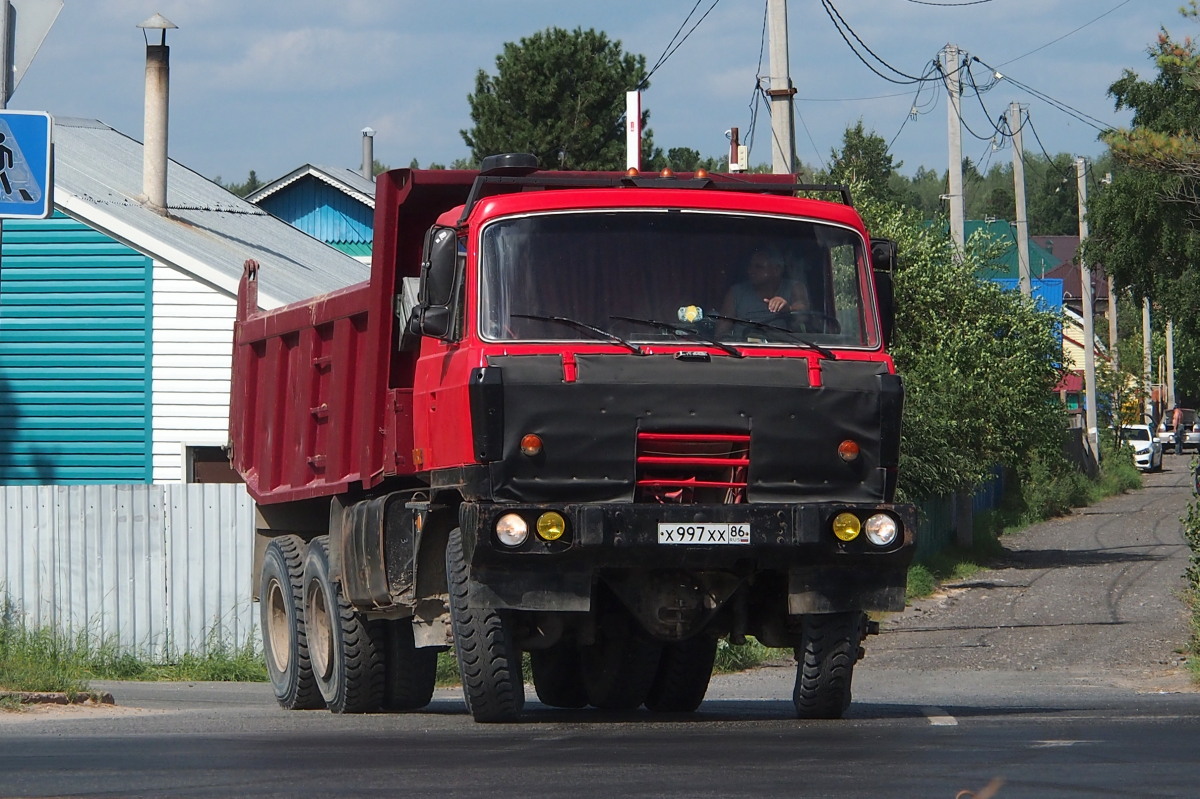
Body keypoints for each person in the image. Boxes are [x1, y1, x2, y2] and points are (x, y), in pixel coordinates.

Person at [716, 249, 809, 339]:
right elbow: (721, 332)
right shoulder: (736, 293)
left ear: (777, 270)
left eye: (758, 267)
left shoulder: (794, 287)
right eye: (750, 266)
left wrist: (789, 309)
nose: (750, 271)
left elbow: (803, 313)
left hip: (782, 348)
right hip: (743, 349)